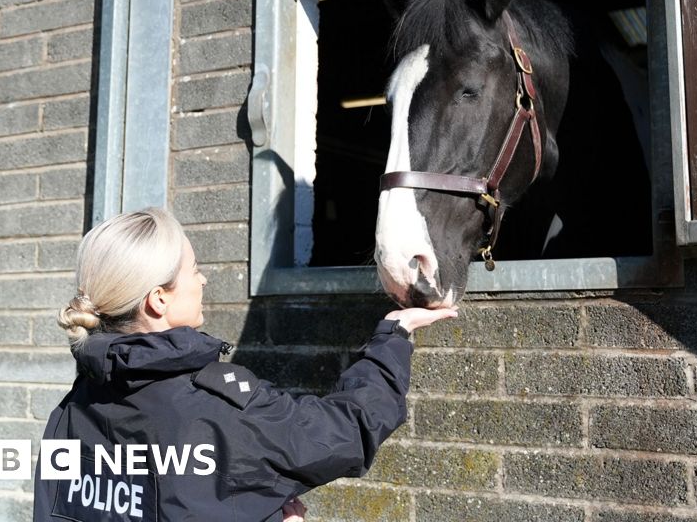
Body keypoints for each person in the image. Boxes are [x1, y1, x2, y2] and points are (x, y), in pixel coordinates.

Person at [32, 207, 456, 521]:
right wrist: (393, 336)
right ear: (158, 299)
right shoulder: (218, 408)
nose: (202, 279)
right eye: (193, 270)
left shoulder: (70, 413)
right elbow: (348, 432)